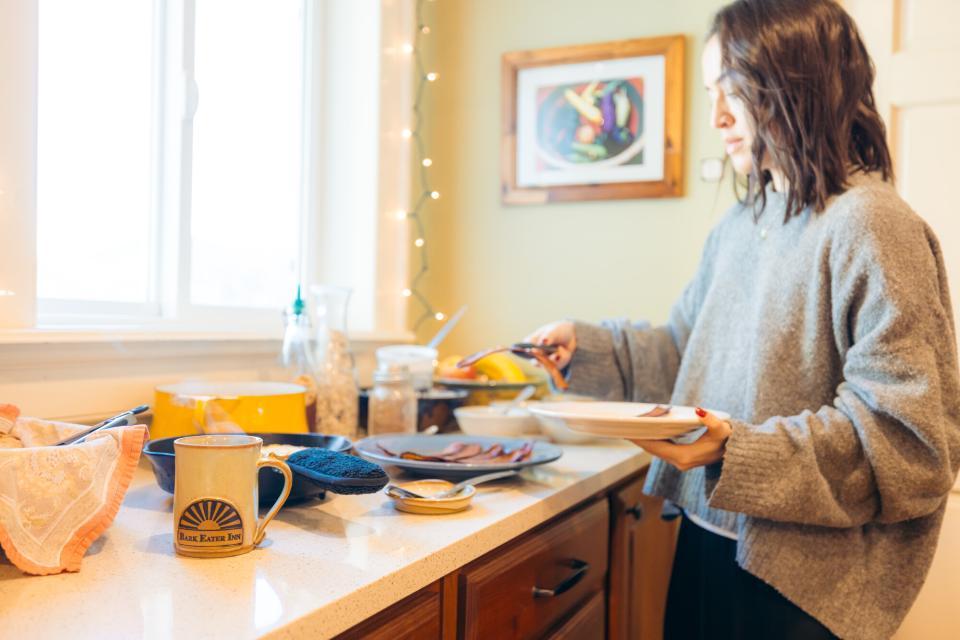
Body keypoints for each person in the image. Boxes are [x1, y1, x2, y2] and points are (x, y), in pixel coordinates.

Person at [525, 1, 960, 638]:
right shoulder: (741, 224)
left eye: (735, 93)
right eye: (711, 95)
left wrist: (739, 452)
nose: (718, 118)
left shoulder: (872, 225)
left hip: (803, 586)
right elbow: (685, 350)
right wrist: (588, 348)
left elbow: (907, 444)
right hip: (706, 540)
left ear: (798, 87)